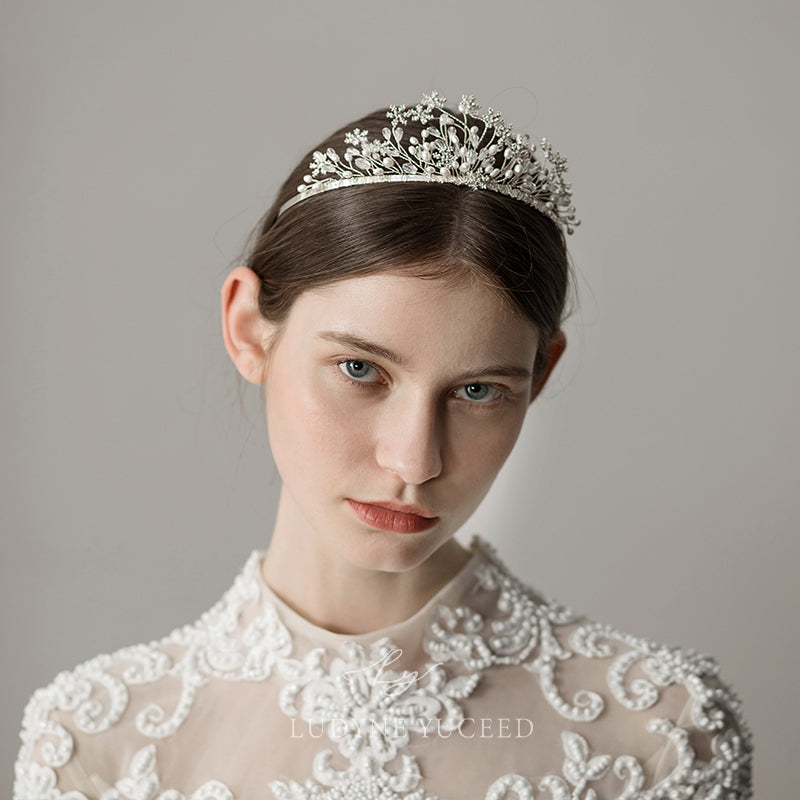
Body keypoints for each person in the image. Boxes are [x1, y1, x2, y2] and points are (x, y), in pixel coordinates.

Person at [13, 92, 752, 800]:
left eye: (478, 391)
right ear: (247, 328)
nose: (414, 461)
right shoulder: (93, 743)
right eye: (359, 370)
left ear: (540, 372)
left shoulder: (663, 734)